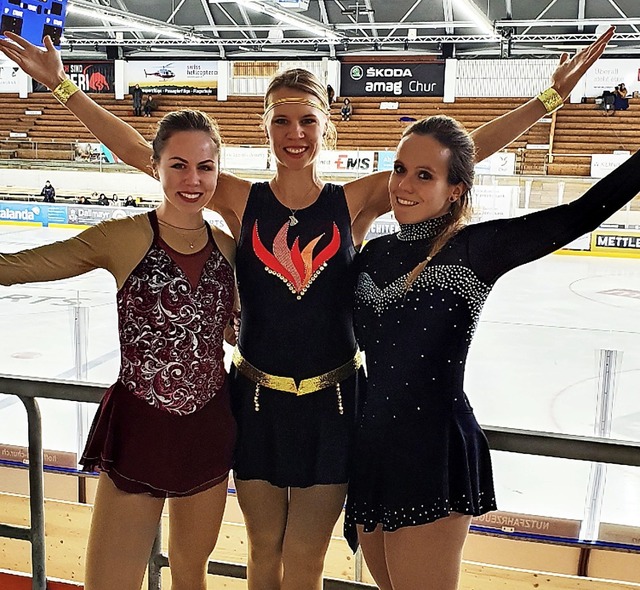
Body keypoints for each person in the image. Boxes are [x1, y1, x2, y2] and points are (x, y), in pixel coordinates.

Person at [0, 27, 613, 590]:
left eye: (307, 121)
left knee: (307, 557)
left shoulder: (355, 202)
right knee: (264, 552)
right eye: (282, 121)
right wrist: (61, 88)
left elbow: (458, 155)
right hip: (258, 400)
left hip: (335, 402)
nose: (295, 135)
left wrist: (546, 103)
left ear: (327, 127)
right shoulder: (240, 198)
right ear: (265, 128)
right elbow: (145, 155)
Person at [344, 115, 640, 589]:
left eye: (425, 175)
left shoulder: (475, 249)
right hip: (372, 448)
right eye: (400, 170)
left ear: (455, 189)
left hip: (433, 453)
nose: (404, 185)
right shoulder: (372, 256)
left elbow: (578, 214)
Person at [0, 109, 237, 590]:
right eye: (178, 165)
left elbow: (237, 331)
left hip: (209, 427)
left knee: (192, 575)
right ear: (155, 165)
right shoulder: (123, 236)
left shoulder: (229, 249)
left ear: (218, 170)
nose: (192, 180)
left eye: (205, 167)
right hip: (139, 429)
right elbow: (21, 266)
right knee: (110, 582)